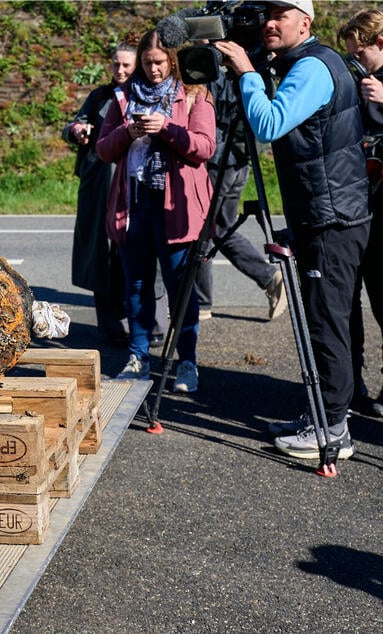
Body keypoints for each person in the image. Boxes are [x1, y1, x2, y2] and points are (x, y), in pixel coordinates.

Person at [217, 0, 370, 460]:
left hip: (331, 218)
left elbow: (268, 123)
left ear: (305, 22)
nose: (269, 22)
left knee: (326, 323)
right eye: (266, 14)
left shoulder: (312, 68)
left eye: (280, 15)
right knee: (334, 319)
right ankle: (323, 415)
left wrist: (247, 72)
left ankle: (333, 430)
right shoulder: (306, 62)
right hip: (328, 212)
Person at [97, 29, 216, 392]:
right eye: (147, 63)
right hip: (134, 202)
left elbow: (204, 148)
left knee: (180, 289)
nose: (153, 70)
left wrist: (166, 128)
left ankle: (187, 362)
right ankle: (138, 358)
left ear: (174, 60)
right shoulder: (123, 96)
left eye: (160, 62)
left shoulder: (195, 95)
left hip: (176, 206)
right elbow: (103, 149)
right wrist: (128, 133)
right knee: (136, 285)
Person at [194, 74, 286, 323]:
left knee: (203, 230)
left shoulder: (214, 71)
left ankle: (201, 303)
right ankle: (269, 278)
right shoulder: (251, 72)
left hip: (218, 162)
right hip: (240, 159)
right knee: (221, 228)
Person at [63, 42, 136, 346]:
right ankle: (108, 326)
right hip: (97, 184)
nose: (120, 70)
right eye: (116, 64)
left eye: (126, 65)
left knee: (130, 253)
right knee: (99, 254)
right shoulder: (100, 96)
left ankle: (139, 323)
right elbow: (73, 125)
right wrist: (76, 130)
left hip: (131, 183)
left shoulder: (144, 94)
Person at [339, 8, 383, 418]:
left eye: (360, 54)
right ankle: (351, 385)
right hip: (356, 208)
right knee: (347, 302)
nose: (356, 62)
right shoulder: (358, 81)